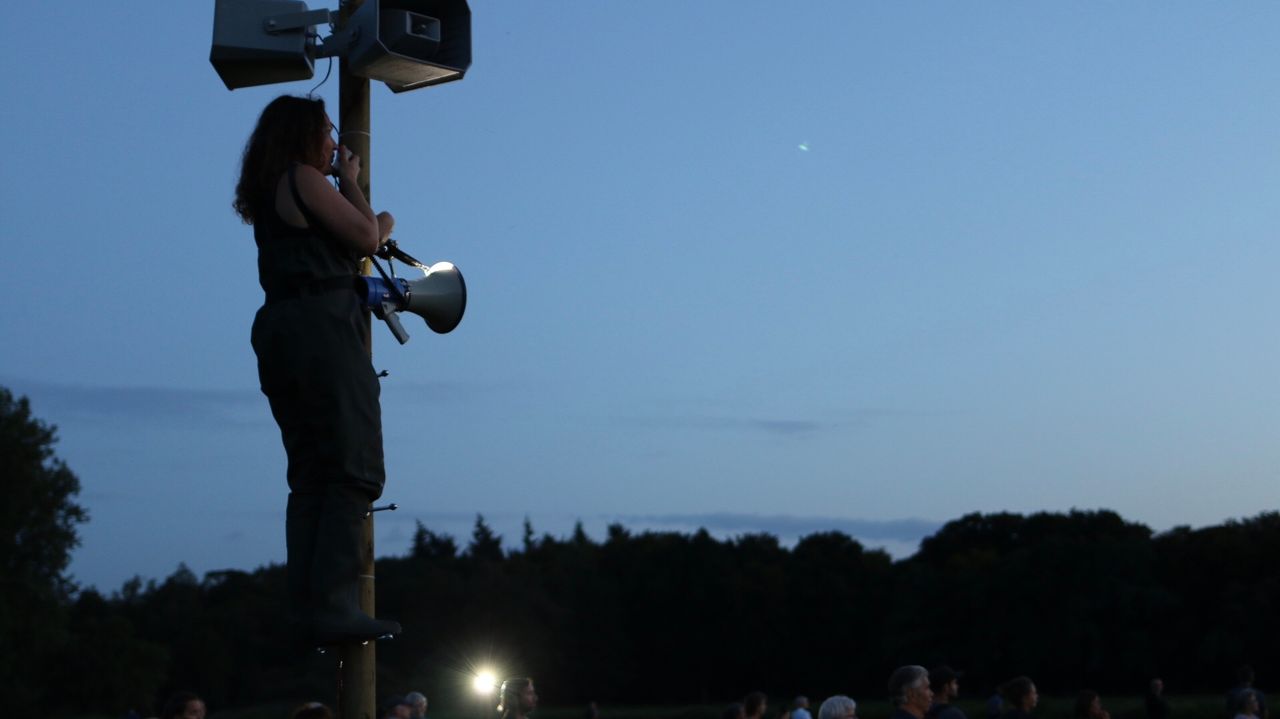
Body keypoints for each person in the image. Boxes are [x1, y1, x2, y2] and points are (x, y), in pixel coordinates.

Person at [235, 94, 399, 645]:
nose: (335, 142)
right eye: (328, 131)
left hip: (283, 328)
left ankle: (309, 608)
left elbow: (363, 230)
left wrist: (370, 217)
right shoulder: (303, 177)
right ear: (304, 135)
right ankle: (335, 607)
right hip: (322, 327)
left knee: (311, 475)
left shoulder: (273, 190)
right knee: (352, 467)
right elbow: (368, 235)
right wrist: (350, 180)